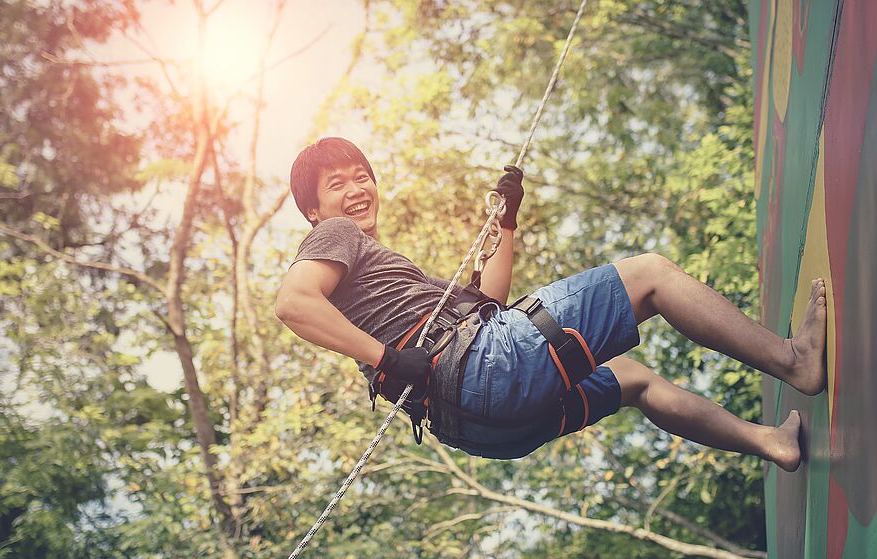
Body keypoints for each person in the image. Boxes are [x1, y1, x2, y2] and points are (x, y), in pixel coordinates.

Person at [275, 137, 827, 472]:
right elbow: (294, 303)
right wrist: (387, 358)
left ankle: (769, 442)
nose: (356, 189)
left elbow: (490, 303)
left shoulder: (388, 279)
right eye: (336, 184)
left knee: (633, 380)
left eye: (361, 176)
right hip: (477, 372)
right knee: (650, 274)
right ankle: (791, 361)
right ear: (314, 211)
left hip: (485, 425)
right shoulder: (338, 236)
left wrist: (506, 220)